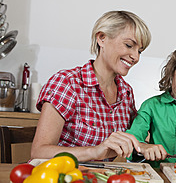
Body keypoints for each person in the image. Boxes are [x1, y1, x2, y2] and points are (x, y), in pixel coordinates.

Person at [30, 11, 151, 162]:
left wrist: (143, 146)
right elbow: (39, 152)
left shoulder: (126, 93)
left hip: (99, 181)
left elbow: (134, 140)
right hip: (62, 178)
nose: (136, 57)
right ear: (101, 38)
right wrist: (95, 152)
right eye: (129, 45)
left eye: (139, 51)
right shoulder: (67, 83)